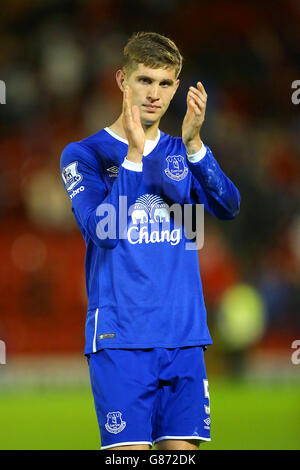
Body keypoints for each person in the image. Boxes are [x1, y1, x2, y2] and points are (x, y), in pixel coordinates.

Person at [60, 31, 240, 451]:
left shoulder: (182, 153)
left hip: (185, 337)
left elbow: (228, 206)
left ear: (177, 87)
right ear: (122, 80)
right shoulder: (84, 155)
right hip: (121, 341)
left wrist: (196, 146)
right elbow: (102, 233)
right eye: (145, 80)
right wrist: (134, 159)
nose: (154, 94)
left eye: (165, 83)